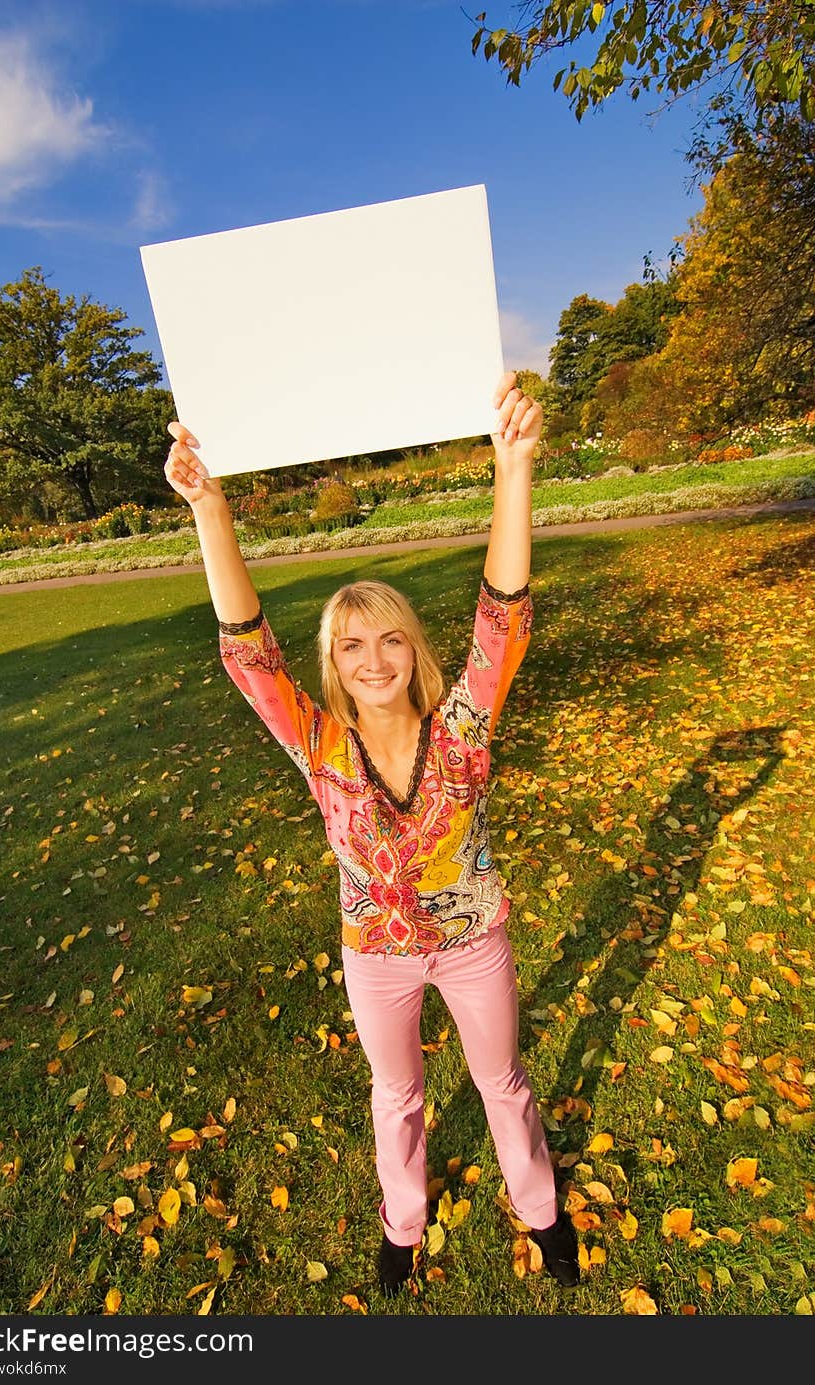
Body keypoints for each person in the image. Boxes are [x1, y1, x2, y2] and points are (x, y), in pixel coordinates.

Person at [163, 372, 580, 1295]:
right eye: (352, 647)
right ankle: (404, 1220)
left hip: (474, 943)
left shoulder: (463, 726)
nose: (374, 658)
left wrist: (514, 464)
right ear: (335, 668)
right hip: (376, 955)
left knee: (502, 1084)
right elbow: (246, 647)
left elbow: (501, 620)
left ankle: (542, 1210)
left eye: (390, 639)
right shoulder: (318, 742)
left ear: (414, 651)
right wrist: (210, 507)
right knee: (397, 1096)